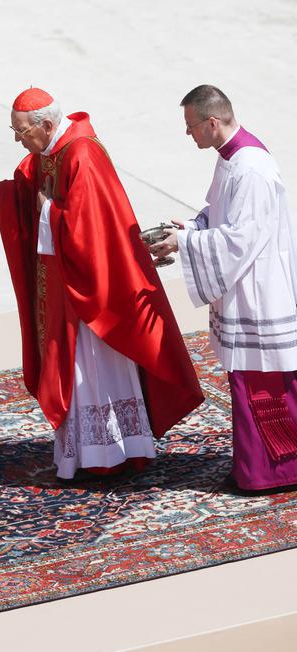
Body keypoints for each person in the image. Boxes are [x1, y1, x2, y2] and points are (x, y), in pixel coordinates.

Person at [0, 87, 203, 480]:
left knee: (92, 366)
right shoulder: (48, 154)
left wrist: (48, 212)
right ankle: (89, 450)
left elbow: (89, 230)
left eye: (21, 131)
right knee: (73, 366)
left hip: (92, 292)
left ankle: (112, 452)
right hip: (60, 285)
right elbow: (28, 197)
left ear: (47, 124)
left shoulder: (83, 155)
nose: (17, 139)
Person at [149, 84, 297, 491]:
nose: (188, 134)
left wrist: (186, 243)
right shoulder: (231, 156)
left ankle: (274, 472)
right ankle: (261, 468)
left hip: (259, 289)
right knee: (248, 382)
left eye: (191, 126)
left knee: (263, 385)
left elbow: (240, 240)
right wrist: (194, 226)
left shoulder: (251, 168)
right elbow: (220, 213)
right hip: (246, 283)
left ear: (212, 122)